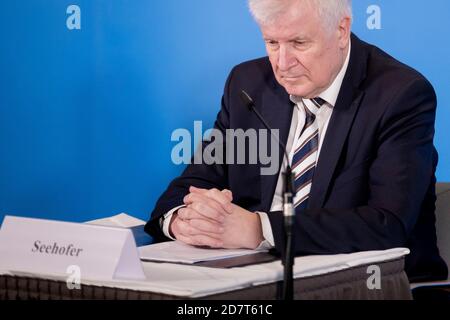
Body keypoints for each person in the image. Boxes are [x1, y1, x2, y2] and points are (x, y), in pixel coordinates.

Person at [145, 0, 448, 282]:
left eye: (299, 43)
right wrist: (185, 219)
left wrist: (259, 229)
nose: (282, 63)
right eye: (271, 43)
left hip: (371, 285)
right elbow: (188, 188)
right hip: (249, 279)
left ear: (341, 30)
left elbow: (387, 224)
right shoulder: (247, 84)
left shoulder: (399, 95)